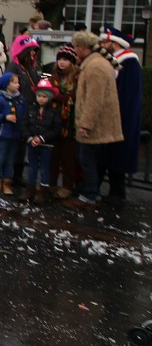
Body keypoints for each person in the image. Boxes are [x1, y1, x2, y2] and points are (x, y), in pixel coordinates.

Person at [64, 31, 123, 211]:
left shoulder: (95, 66)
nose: (74, 50)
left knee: (86, 160)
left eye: (75, 47)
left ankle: (89, 196)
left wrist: (86, 124)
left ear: (82, 48)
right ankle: (92, 194)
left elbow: (94, 99)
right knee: (88, 159)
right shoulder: (96, 62)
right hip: (97, 123)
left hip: (94, 125)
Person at [98, 26, 142, 206]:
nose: (101, 45)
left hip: (122, 116)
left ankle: (117, 192)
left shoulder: (129, 62)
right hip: (113, 115)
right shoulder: (115, 60)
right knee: (109, 154)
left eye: (104, 42)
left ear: (114, 43)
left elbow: (126, 94)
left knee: (118, 154)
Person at [5, 34, 41, 198]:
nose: (33, 55)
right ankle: (9, 175)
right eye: (31, 52)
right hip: (18, 110)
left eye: (35, 52)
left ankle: (18, 175)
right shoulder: (14, 67)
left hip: (29, 111)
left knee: (22, 145)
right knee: (15, 144)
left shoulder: (31, 69)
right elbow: (7, 87)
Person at [47, 45, 81, 199]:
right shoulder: (53, 76)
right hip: (53, 120)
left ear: (72, 62)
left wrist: (57, 95)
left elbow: (72, 98)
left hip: (69, 122)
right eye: (60, 59)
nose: (61, 62)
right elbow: (47, 93)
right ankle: (51, 184)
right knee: (53, 155)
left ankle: (67, 186)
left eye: (65, 60)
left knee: (68, 156)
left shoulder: (76, 77)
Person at [23, 79, 62, 205]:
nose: (41, 99)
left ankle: (43, 191)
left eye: (44, 96)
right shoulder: (31, 109)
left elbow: (56, 128)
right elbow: (25, 125)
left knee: (45, 168)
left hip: (47, 145)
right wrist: (30, 138)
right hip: (32, 143)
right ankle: (30, 188)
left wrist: (42, 138)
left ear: (49, 97)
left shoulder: (54, 111)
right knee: (32, 166)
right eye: (39, 96)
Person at [0, 72, 25, 196]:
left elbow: (24, 115)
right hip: (3, 134)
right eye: (14, 82)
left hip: (15, 134)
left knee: (10, 159)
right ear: (6, 85)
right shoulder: (0, 99)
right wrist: (5, 117)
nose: (17, 85)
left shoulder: (20, 100)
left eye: (17, 82)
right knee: (0, 158)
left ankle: (7, 182)